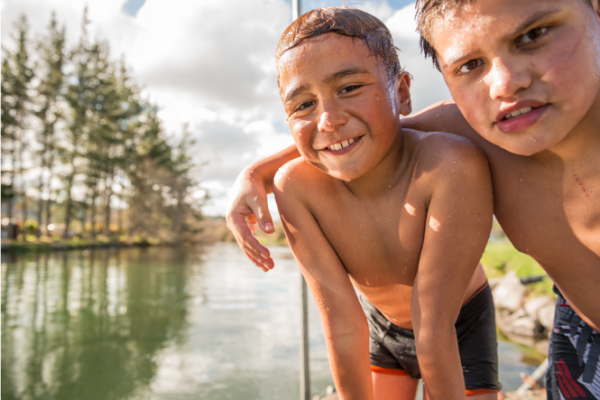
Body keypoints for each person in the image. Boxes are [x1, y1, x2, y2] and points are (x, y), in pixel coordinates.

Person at [227, 1, 600, 398]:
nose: (505, 83)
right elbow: (377, 133)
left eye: (534, 35)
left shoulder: (456, 153)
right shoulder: (475, 124)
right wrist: (257, 173)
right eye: (470, 65)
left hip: (464, 319)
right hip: (580, 331)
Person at [263, 7, 501, 400]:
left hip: (460, 323)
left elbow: (434, 326)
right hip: (383, 326)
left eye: (349, 88)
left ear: (402, 92)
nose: (329, 120)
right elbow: (342, 324)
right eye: (303, 104)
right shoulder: (296, 188)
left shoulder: (449, 165)